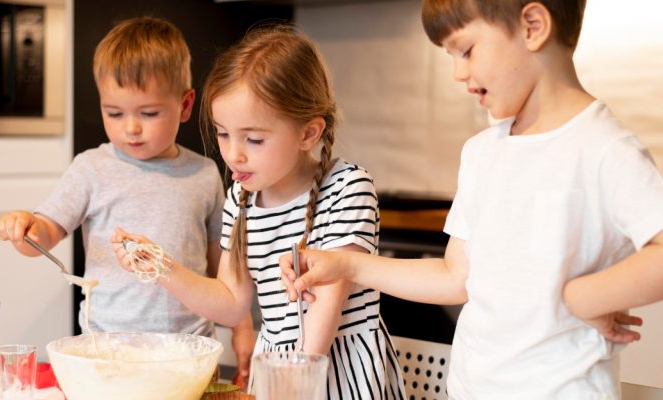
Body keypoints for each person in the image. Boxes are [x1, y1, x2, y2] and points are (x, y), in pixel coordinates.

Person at [280, 1, 663, 399]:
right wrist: (345, 263)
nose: (458, 73)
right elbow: (454, 277)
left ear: (533, 26)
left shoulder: (604, 148)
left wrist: (584, 296)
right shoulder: (482, 153)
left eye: (465, 51)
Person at [112, 24, 406, 399]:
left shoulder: (347, 188)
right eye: (222, 133)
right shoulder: (242, 197)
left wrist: (289, 386)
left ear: (308, 133)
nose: (233, 153)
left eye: (253, 139)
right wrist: (158, 266)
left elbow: (324, 312)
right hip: (276, 376)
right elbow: (231, 305)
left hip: (336, 378)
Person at [0, 16, 255, 384]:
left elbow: (222, 269)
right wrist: (25, 227)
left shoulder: (205, 174)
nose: (130, 127)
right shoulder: (91, 169)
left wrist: (242, 326)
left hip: (189, 354)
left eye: (148, 113)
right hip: (107, 352)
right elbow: (46, 234)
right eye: (114, 113)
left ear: (184, 104)